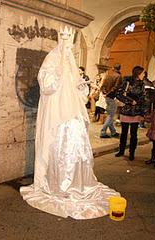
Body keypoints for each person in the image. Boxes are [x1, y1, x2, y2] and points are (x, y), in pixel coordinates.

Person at [20, 26, 119, 219]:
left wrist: (81, 86)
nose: (67, 46)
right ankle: (58, 183)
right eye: (64, 39)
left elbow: (77, 91)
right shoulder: (51, 59)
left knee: (76, 147)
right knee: (58, 147)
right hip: (57, 114)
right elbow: (46, 84)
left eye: (69, 40)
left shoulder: (72, 63)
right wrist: (56, 74)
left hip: (73, 114)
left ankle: (76, 183)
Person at [115, 66, 145, 160]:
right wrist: (130, 101)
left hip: (136, 112)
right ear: (138, 73)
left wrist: (142, 112)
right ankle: (121, 150)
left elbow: (143, 98)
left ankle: (132, 152)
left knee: (134, 134)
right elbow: (118, 94)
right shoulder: (127, 81)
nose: (144, 75)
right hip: (126, 110)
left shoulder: (142, 84)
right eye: (143, 73)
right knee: (124, 133)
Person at [99, 63, 122, 138]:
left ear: (113, 68)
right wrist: (108, 94)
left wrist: (104, 94)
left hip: (107, 97)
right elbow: (115, 88)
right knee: (110, 115)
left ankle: (113, 132)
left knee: (110, 115)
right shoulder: (118, 76)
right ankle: (103, 132)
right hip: (111, 97)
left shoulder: (109, 76)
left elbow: (102, 86)